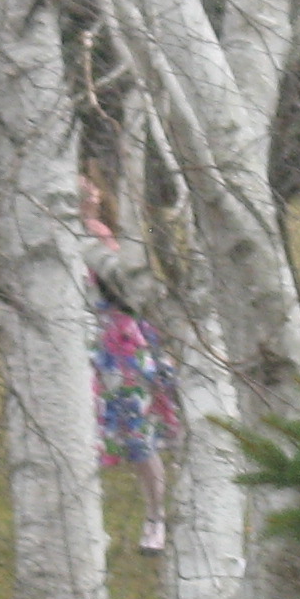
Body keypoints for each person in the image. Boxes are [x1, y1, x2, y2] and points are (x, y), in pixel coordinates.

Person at [81, 173, 181, 555]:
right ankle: (88, 526)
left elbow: (124, 290)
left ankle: (156, 519)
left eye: (90, 189)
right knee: (81, 436)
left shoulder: (99, 237)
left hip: (118, 350)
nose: (89, 193)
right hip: (83, 347)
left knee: (137, 437)